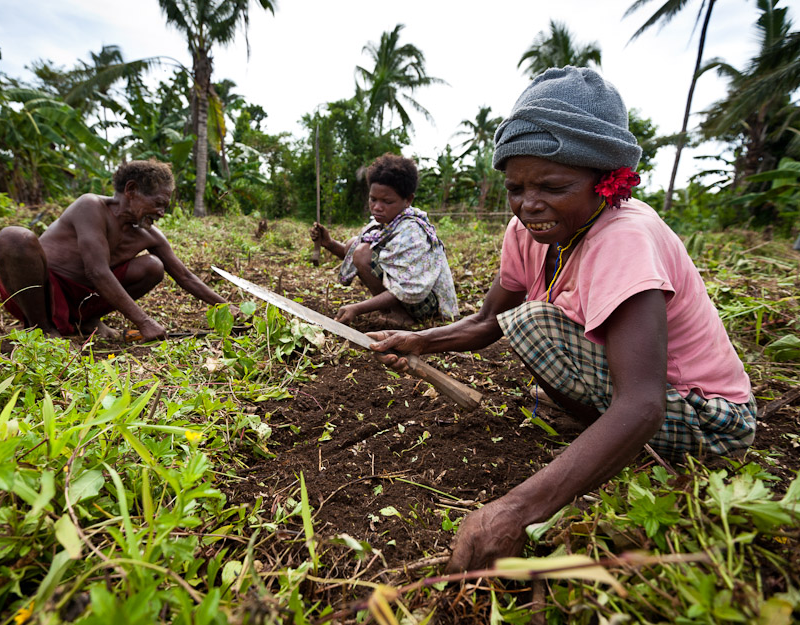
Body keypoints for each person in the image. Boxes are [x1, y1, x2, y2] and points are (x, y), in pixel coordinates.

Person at [368, 67, 757, 573]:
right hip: (650, 404)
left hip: (711, 422)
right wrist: (415, 340)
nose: (530, 206)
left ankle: (613, 447)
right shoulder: (526, 231)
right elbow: (488, 320)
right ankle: (601, 442)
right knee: (527, 321)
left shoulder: (624, 236)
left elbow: (641, 404)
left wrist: (516, 511)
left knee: (534, 323)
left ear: (605, 180)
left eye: (553, 185)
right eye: (515, 188)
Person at [0, 159, 229, 341]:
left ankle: (85, 321)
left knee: (153, 267)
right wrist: (144, 322)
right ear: (131, 190)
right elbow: (96, 271)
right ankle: (43, 329)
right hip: (38, 294)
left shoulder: (148, 235)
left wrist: (227, 308)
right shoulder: (91, 206)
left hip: (81, 299)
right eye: (158, 203)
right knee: (14, 237)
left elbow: (186, 277)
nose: (161, 213)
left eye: (164, 207)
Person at [310, 153, 459, 327]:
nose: (377, 207)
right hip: (409, 293)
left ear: (408, 200)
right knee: (354, 245)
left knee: (362, 252)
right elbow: (353, 254)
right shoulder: (385, 222)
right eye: (373, 199)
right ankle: (395, 312)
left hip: (424, 301)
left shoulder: (412, 231)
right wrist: (329, 243)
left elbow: (409, 289)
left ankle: (400, 315)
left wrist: (357, 308)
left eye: (387, 201)